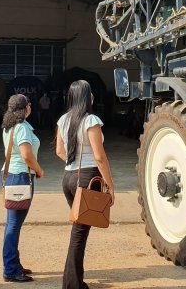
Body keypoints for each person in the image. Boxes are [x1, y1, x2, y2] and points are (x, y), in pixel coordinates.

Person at [55, 80, 115, 289]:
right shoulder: (91, 120)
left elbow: (59, 152)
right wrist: (110, 185)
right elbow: (99, 156)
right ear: (88, 97)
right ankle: (72, 284)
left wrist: (73, 163)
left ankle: (75, 280)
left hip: (68, 178)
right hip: (88, 178)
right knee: (79, 233)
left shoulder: (63, 120)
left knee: (79, 229)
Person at [0, 94, 44, 283]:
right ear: (25, 108)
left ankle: (14, 264)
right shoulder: (23, 128)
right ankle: (10, 269)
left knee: (13, 224)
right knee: (13, 225)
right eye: (29, 105)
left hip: (10, 175)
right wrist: (39, 170)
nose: (30, 107)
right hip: (20, 177)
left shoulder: (9, 127)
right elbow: (27, 156)